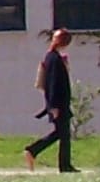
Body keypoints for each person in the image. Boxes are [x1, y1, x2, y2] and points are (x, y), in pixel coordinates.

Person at [24, 28, 76, 173]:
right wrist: (53, 106)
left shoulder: (55, 57)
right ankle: (33, 150)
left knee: (62, 134)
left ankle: (64, 164)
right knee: (62, 134)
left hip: (60, 103)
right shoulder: (53, 58)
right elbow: (52, 83)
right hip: (58, 104)